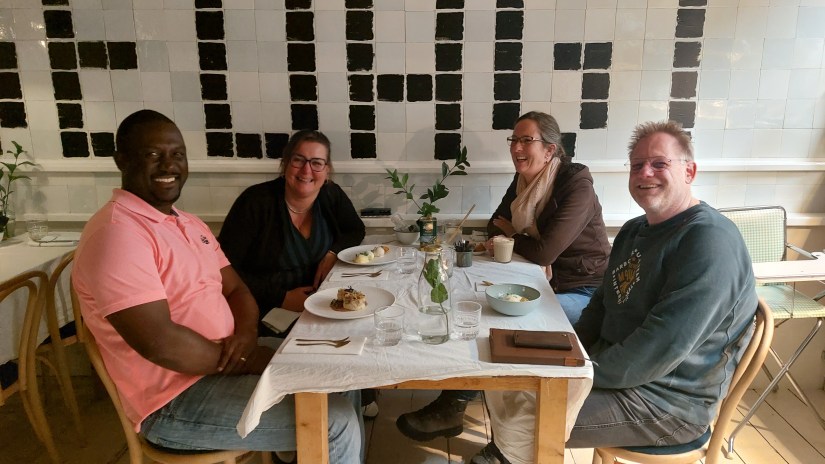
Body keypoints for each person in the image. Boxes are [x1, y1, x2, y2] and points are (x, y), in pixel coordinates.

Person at [72, 110, 362, 462]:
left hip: (226, 360)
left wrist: (246, 335)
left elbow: (237, 289)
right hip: (176, 398)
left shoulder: (187, 223)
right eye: (153, 154)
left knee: (343, 369)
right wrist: (247, 357)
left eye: (177, 154)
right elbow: (159, 342)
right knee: (335, 421)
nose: (168, 165)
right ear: (122, 160)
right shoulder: (118, 234)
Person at [470, 120, 759, 464]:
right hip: (617, 375)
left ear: (689, 171)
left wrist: (575, 372)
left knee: (528, 414)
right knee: (505, 379)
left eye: (659, 163)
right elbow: (600, 307)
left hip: (666, 404)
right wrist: (565, 356)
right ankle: (505, 453)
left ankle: (507, 454)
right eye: (637, 165)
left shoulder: (710, 241)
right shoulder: (634, 230)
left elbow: (658, 349)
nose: (645, 173)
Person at [396, 111, 611, 442]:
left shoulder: (576, 184)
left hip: (582, 290)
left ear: (550, 150)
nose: (516, 148)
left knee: (507, 321)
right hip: (538, 280)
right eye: (514, 140)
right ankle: (457, 399)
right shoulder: (524, 180)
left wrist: (513, 233)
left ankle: (459, 407)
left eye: (526, 140)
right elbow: (494, 224)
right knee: (476, 306)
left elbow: (544, 252)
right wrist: (513, 233)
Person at [218, 130, 365, 336]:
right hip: (265, 310)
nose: (306, 170)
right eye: (298, 160)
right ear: (285, 163)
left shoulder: (330, 194)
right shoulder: (255, 202)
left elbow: (355, 229)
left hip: (322, 303)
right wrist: (282, 297)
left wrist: (333, 252)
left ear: (327, 170)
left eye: (316, 163)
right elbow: (224, 268)